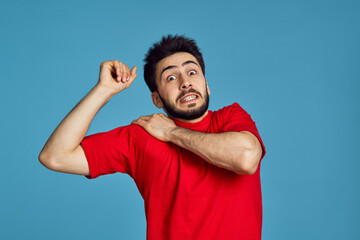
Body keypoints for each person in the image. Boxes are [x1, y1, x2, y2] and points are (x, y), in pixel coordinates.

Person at [39, 35, 266, 240]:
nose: (185, 82)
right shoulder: (141, 136)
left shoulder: (231, 118)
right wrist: (103, 90)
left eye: (192, 72)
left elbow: (246, 158)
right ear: (156, 100)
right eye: (170, 78)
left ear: (207, 86)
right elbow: (55, 156)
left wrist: (171, 132)